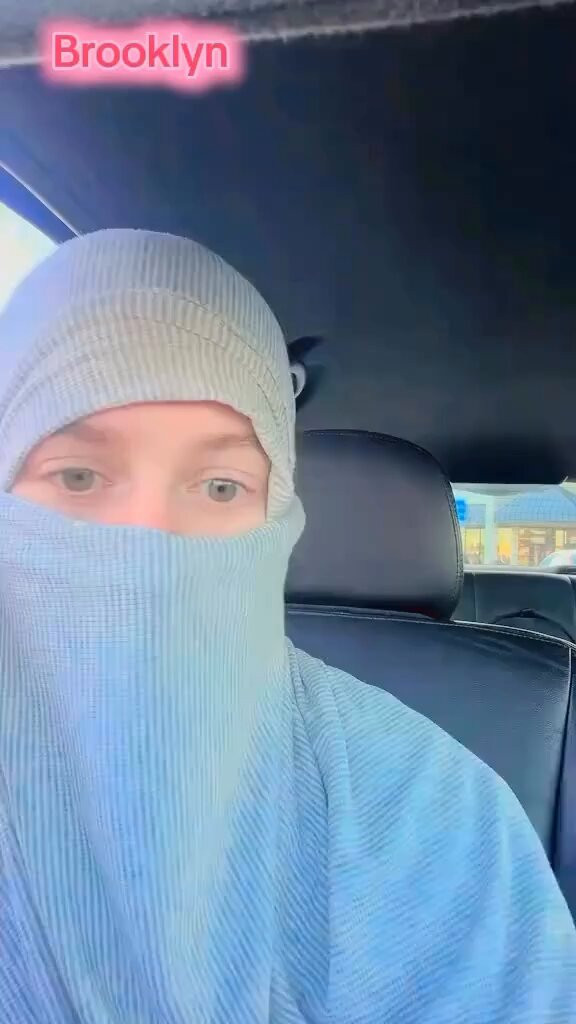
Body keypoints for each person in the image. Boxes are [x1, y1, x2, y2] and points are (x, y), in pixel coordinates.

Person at [0, 228, 575, 1024]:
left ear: (279, 517)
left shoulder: (431, 812)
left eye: (220, 487)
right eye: (77, 474)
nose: (149, 542)